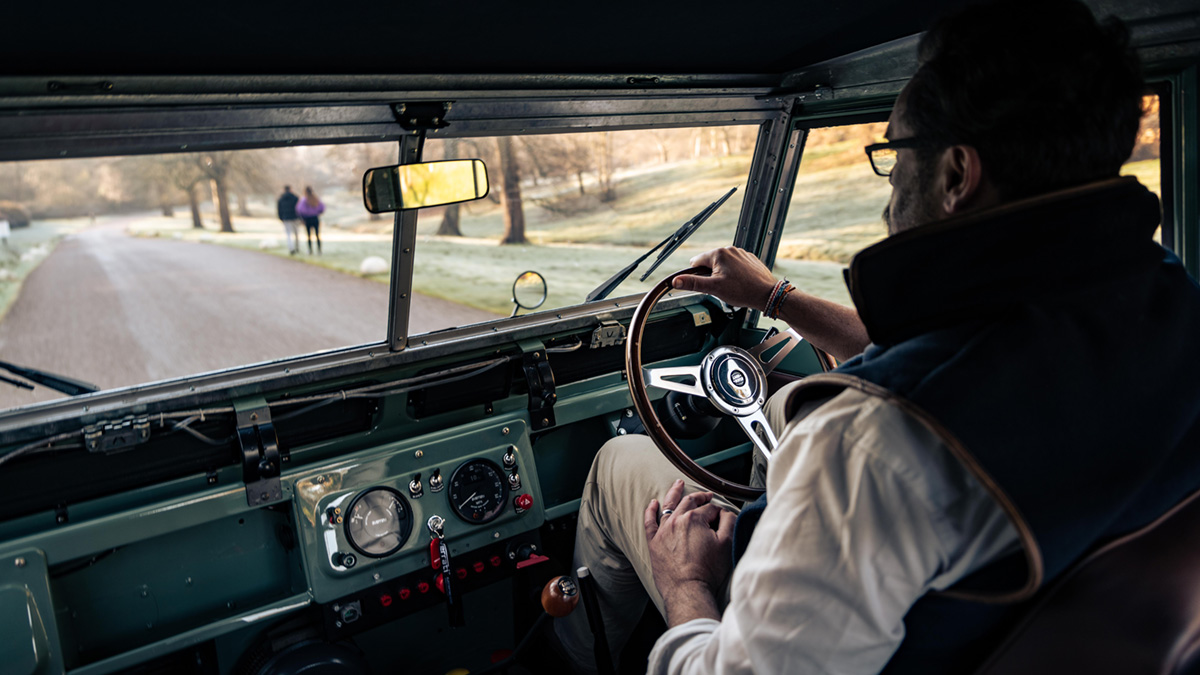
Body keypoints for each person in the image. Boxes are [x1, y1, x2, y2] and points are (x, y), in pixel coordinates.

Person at [554, 1, 1200, 674]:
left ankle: (563, 659)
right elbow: (958, 358)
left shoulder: (867, 444)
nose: (891, 183)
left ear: (956, 174)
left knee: (617, 464)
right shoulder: (1165, 299)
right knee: (781, 405)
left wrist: (687, 584)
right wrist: (775, 297)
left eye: (895, 153)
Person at [296, 186, 325, 254]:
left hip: (307, 219)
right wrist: (317, 212)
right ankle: (319, 249)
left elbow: (300, 210)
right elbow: (322, 208)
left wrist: (303, 216)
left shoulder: (304, 200)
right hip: (315, 218)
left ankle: (310, 250)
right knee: (317, 234)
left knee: (309, 235)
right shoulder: (316, 199)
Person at [277, 185, 301, 255]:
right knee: (296, 233)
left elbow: (279, 210)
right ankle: (297, 247)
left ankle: (291, 248)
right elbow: (298, 208)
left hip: (286, 218)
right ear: (291, 189)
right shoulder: (295, 198)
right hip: (295, 218)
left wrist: (281, 218)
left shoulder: (281, 199)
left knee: (288, 234)